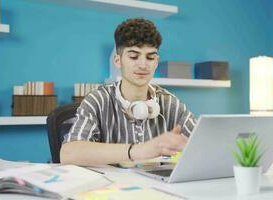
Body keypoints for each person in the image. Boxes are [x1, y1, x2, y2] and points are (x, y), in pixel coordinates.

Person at [61, 18, 196, 166]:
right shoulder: (97, 100)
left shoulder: (170, 103)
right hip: (111, 187)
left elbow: (205, 144)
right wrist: (137, 151)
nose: (143, 65)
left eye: (150, 57)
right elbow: (68, 153)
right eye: (134, 56)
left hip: (156, 186)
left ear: (156, 62)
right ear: (117, 60)